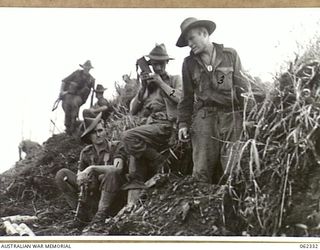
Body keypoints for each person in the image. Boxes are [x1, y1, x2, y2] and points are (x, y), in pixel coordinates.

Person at [176, 17, 249, 184]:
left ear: (204, 33)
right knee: (201, 171)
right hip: (204, 119)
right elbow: (186, 97)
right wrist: (183, 123)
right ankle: (201, 207)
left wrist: (248, 117)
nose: (189, 44)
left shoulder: (230, 55)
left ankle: (233, 206)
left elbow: (242, 87)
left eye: (191, 38)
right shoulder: (188, 63)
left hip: (231, 117)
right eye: (187, 40)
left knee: (234, 168)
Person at [121, 44, 182, 204]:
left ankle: (160, 161)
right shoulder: (147, 86)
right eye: (155, 63)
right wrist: (142, 89)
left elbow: (181, 98)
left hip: (166, 126)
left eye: (162, 63)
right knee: (134, 158)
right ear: (151, 65)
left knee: (128, 136)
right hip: (149, 128)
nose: (159, 66)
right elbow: (132, 110)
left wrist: (161, 83)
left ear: (167, 63)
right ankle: (132, 206)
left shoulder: (175, 79)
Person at [55, 113, 127, 231]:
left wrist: (92, 168)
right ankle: (81, 215)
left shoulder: (116, 146)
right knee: (62, 174)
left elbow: (118, 169)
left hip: (114, 195)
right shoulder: (86, 152)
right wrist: (81, 179)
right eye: (94, 132)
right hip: (93, 194)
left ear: (105, 131)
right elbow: (80, 174)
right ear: (89, 136)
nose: (98, 135)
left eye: (100, 130)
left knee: (110, 173)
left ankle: (100, 217)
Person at [59, 60, 95, 135]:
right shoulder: (77, 73)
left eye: (88, 68)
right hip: (69, 94)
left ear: (90, 69)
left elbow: (92, 93)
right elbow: (64, 81)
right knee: (67, 107)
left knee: (74, 104)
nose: (86, 69)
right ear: (83, 67)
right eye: (85, 68)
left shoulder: (91, 79)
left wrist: (91, 107)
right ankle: (68, 127)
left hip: (80, 97)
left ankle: (73, 126)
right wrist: (62, 91)